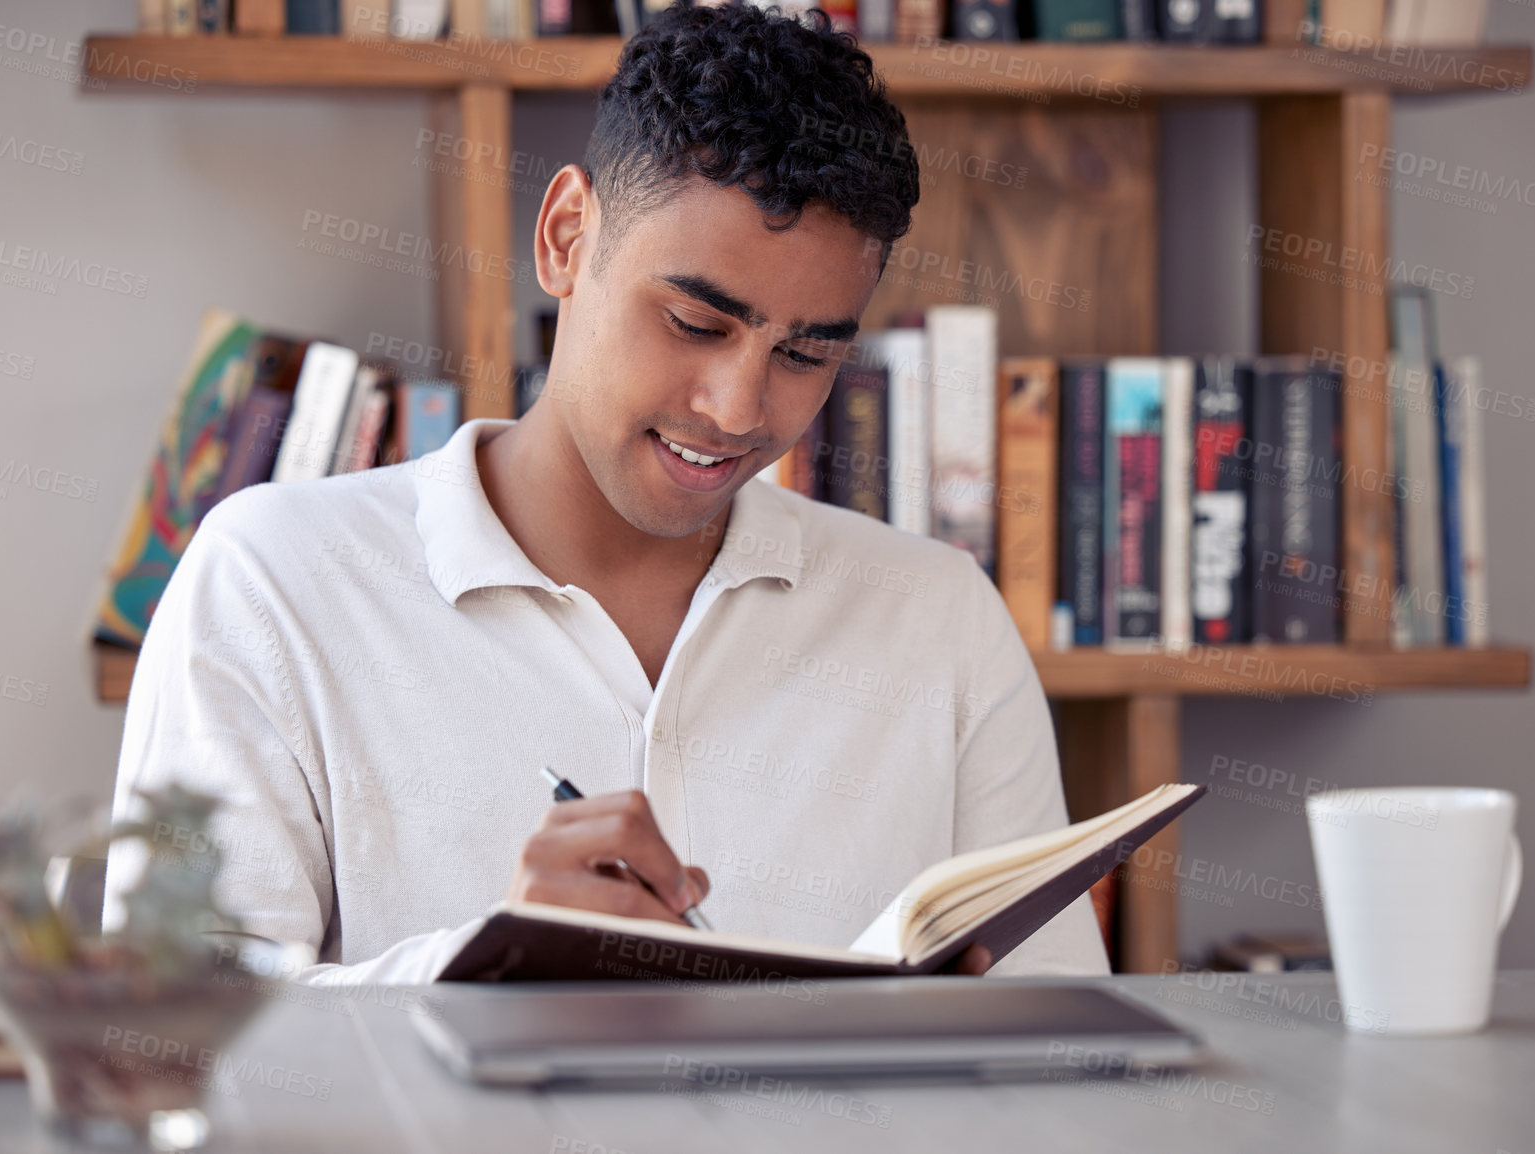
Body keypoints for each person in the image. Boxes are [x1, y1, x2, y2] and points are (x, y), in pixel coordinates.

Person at [102, 2, 1108, 983]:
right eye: (695, 323)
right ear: (567, 237)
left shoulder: (940, 620)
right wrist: (483, 967)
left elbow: (1074, 1067)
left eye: (805, 352)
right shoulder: (273, 580)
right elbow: (168, 1033)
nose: (737, 406)